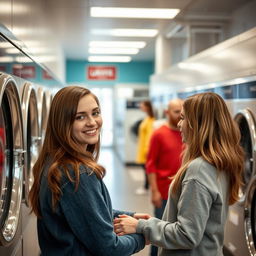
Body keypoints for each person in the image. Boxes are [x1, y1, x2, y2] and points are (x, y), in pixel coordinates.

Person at [114, 92, 244, 256]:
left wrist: (139, 226)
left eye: (183, 118)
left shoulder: (199, 170)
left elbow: (186, 235)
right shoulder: (220, 162)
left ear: (198, 124)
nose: (179, 124)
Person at [29, 86, 147, 256]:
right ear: (62, 123)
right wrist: (143, 236)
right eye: (80, 117)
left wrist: (130, 216)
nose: (92, 122)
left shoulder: (53, 161)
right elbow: (109, 248)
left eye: (95, 112)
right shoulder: (77, 175)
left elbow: (84, 213)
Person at [146, 99, 183, 256]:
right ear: (167, 113)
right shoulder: (159, 134)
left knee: (177, 232)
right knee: (159, 231)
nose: (180, 115)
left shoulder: (187, 133)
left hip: (183, 191)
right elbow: (151, 165)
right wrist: (154, 191)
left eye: (182, 112)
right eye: (176, 112)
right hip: (164, 192)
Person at [135, 100, 155, 195]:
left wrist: (147, 149)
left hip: (146, 148)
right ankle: (147, 187)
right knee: (145, 168)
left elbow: (150, 136)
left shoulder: (151, 120)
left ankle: (146, 187)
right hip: (142, 146)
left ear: (147, 107)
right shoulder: (147, 118)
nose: (140, 106)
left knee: (147, 169)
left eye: (142, 105)